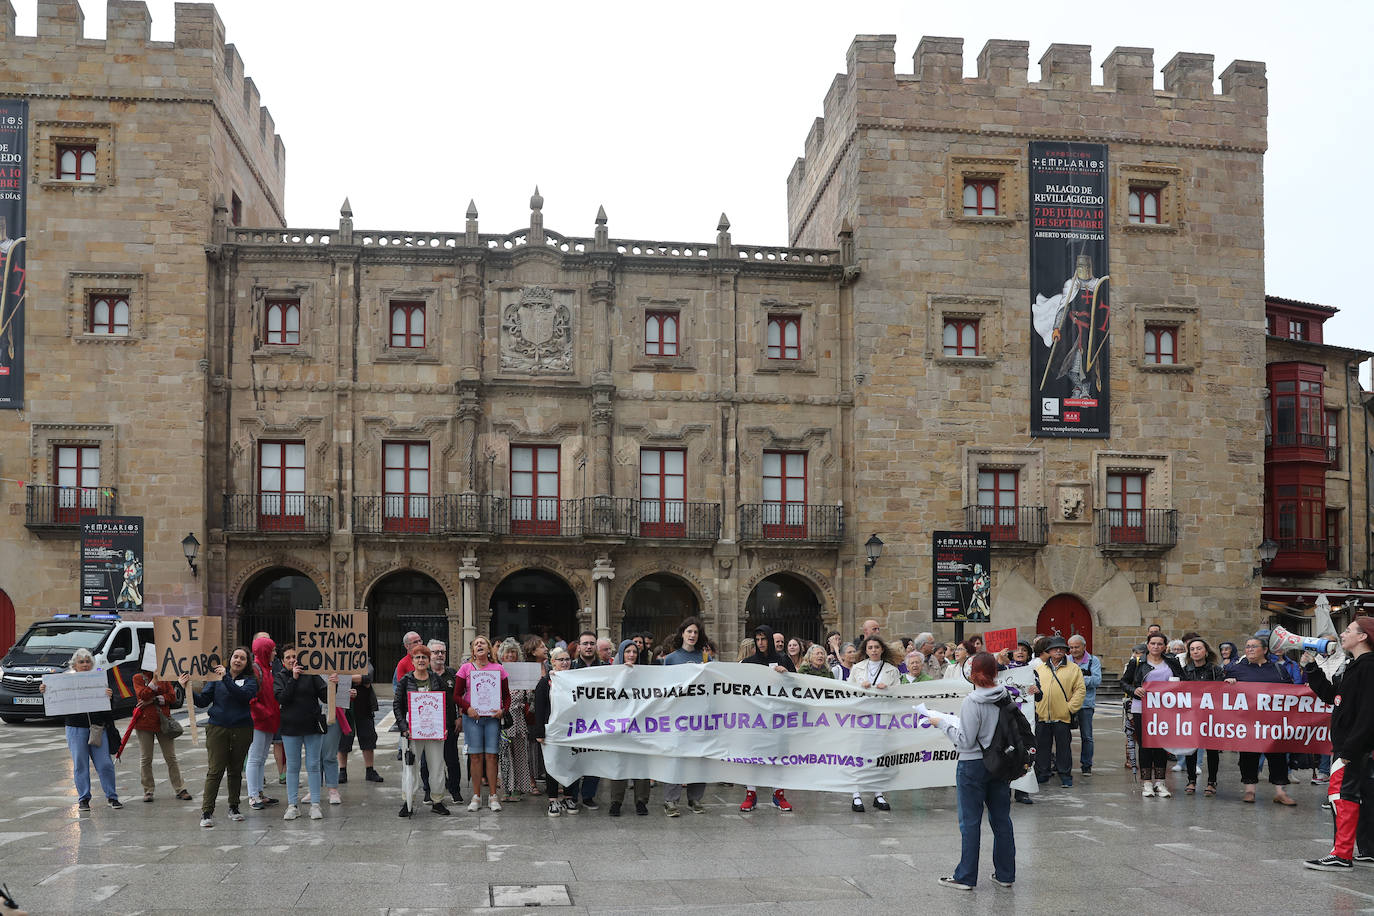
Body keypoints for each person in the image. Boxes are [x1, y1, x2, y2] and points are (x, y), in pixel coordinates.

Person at [927, 652, 1016, 891]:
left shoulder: (972, 701)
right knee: (1001, 820)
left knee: (970, 822)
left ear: (972, 673)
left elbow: (965, 741)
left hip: (973, 765)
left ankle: (965, 876)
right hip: (999, 764)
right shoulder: (1004, 696)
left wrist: (942, 723)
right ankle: (1006, 873)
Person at [1304, 618, 1374, 870]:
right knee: (1363, 796)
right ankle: (1368, 850)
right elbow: (1334, 698)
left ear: (1363, 637)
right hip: (1355, 746)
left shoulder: (1367, 667)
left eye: (1348, 630)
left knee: (1341, 796)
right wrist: (1312, 668)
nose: (1342, 634)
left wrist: (1349, 750)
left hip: (1351, 747)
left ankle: (1342, 854)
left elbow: (1368, 713)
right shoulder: (1356, 666)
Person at [42, 648, 121, 811]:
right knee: (80, 764)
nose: (85, 665)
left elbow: (109, 709)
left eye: (87, 662)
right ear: (75, 665)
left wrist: (110, 697)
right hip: (75, 729)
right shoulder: (65, 681)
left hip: (97, 728)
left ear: (91, 664)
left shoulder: (99, 680)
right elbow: (54, 705)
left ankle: (112, 796)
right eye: (81, 662)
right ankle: (84, 798)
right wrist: (46, 691)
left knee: (105, 763)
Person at [1225, 636, 1297, 805]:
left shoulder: (1278, 669)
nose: (1249, 649)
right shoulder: (1236, 670)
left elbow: (1291, 692)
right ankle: (1249, 790)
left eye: (1254, 646)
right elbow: (1224, 695)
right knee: (1248, 755)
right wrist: (1228, 683)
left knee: (1277, 755)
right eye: (1247, 646)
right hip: (1247, 722)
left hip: (1273, 722)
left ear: (1265, 650)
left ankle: (1280, 791)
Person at [194, 647, 257, 827]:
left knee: (235, 770)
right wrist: (188, 689)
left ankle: (234, 807)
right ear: (230, 659)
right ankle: (207, 811)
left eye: (242, 658)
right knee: (215, 769)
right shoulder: (216, 678)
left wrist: (226, 678)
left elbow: (243, 697)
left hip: (242, 729)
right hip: (217, 728)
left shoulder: (250, 681)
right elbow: (203, 701)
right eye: (235, 657)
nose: (238, 660)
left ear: (247, 663)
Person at [660, 616, 712, 816]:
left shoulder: (706, 658)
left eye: (696, 632)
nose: (692, 635)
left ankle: (695, 798)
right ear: (682, 633)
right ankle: (670, 800)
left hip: (700, 716)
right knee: (676, 757)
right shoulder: (671, 659)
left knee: (699, 757)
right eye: (689, 631)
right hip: (678, 716)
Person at [739, 625, 794, 813]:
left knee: (778, 756)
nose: (761, 643)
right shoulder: (747, 662)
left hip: (778, 718)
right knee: (752, 756)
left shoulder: (783, 660)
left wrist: (786, 676)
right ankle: (750, 794)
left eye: (764, 639)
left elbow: (798, 687)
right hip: (755, 719)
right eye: (758, 639)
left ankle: (778, 794)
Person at [394, 644, 451, 817]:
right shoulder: (405, 680)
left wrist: (444, 727)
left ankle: (437, 801)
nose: (421, 660)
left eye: (424, 657)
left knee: (437, 766)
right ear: (412, 660)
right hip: (413, 730)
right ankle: (408, 802)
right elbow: (397, 706)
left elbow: (445, 704)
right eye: (417, 657)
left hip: (434, 730)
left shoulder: (436, 679)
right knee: (410, 767)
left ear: (428, 660)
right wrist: (404, 728)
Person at [274, 643, 329, 820]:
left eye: (294, 656)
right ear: (283, 661)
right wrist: (294, 679)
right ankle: (292, 805)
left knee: (313, 765)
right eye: (288, 657)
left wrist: (333, 685)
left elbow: (325, 695)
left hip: (312, 726)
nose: (292, 660)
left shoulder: (311, 674)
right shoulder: (280, 677)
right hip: (290, 728)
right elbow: (283, 697)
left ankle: (315, 804)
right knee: (293, 766)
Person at [456, 635, 511, 812]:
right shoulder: (465, 668)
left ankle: (493, 796)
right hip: (473, 718)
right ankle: (477, 796)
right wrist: (467, 708)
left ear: (489, 649)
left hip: (492, 718)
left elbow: (507, 695)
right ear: (473, 650)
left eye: (483, 643)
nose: (479, 645)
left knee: (492, 756)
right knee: (475, 756)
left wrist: (503, 710)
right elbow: (456, 695)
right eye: (476, 644)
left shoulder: (499, 669)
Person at [1126, 632, 1183, 797]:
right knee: (1145, 745)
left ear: (1165, 646)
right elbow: (1124, 682)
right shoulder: (1137, 662)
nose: (1156, 647)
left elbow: (1184, 680)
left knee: (1161, 745)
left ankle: (1160, 782)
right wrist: (1134, 690)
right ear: (1148, 645)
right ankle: (1147, 783)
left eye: (1160, 644)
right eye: (1153, 643)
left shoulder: (1172, 662)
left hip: (1165, 708)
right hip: (1141, 707)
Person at [132, 654, 192, 804]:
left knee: (171, 757)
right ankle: (148, 790)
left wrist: (155, 699)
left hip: (163, 722)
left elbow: (172, 696)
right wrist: (154, 682)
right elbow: (142, 695)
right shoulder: (138, 678)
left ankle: (180, 788)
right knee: (146, 758)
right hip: (144, 724)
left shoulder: (164, 676)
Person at [850, 635, 901, 811]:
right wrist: (859, 687)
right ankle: (856, 793)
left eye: (876, 647)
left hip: (882, 718)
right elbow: (848, 693)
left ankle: (878, 793)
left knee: (879, 755)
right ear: (865, 650)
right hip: (862, 718)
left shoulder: (892, 671)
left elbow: (900, 694)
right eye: (870, 647)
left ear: (882, 649)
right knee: (859, 755)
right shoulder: (857, 669)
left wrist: (888, 690)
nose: (873, 650)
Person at [605, 640, 652, 816]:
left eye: (634, 652)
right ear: (622, 654)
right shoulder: (612, 674)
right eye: (628, 652)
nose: (631, 655)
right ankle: (616, 801)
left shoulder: (645, 675)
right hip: (619, 726)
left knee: (641, 764)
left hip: (640, 726)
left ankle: (641, 801)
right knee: (619, 764)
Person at [1033, 636, 1085, 789]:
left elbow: (1080, 690)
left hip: (1062, 715)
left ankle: (1065, 775)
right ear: (1048, 651)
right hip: (1042, 714)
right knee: (1042, 747)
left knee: (1063, 748)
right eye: (1055, 648)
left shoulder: (1073, 668)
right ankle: (1043, 773)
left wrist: (1069, 708)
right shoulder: (1040, 668)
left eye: (1061, 648)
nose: (1058, 651)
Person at [533, 648, 579, 816]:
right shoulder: (545, 682)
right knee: (553, 764)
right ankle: (553, 799)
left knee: (571, 764)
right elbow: (539, 708)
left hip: (572, 730)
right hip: (552, 730)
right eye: (560, 659)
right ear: (553, 662)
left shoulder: (575, 681)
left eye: (567, 659)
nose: (565, 662)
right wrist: (540, 732)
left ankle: (569, 796)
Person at [1180, 637, 1224, 797]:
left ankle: (1212, 782)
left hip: (1212, 716)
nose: (1195, 651)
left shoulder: (1216, 670)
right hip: (1192, 715)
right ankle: (1191, 780)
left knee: (1212, 750)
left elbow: (1221, 692)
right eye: (1192, 649)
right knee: (1191, 749)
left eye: (1199, 648)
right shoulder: (1185, 671)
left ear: (1206, 651)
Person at [419, 640, 460, 806]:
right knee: (426, 760)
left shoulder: (452, 674)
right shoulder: (422, 674)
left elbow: (459, 697)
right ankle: (428, 790)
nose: (440, 655)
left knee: (451, 759)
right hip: (428, 725)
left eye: (442, 651)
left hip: (449, 723)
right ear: (429, 655)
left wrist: (460, 717)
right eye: (436, 652)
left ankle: (455, 790)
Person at [497, 638, 536, 803]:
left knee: (520, 753)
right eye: (507, 652)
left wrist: (531, 690)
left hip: (519, 717)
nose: (510, 655)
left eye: (513, 651)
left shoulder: (524, 671)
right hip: (504, 718)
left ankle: (519, 788)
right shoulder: (497, 671)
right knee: (505, 755)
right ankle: (507, 788)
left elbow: (531, 696)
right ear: (502, 655)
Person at [246, 635, 282, 810]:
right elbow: (251, 698)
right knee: (255, 758)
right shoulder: (256, 670)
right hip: (259, 721)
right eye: (273, 649)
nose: (275, 653)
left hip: (267, 720)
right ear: (265, 651)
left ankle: (259, 792)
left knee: (261, 758)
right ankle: (253, 795)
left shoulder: (265, 669)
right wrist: (266, 712)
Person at [337, 659, 384, 787]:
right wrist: (358, 680)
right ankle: (342, 771)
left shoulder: (364, 660)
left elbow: (367, 677)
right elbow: (333, 678)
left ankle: (370, 770)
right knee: (343, 739)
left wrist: (344, 678)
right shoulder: (338, 659)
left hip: (364, 706)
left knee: (368, 738)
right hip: (344, 706)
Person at [1067, 635, 1101, 777]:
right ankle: (1064, 764)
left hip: (1086, 704)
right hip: (1067, 703)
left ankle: (1086, 765)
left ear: (1084, 647)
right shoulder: (1066, 660)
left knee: (1086, 736)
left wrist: (1076, 679)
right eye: (1071, 647)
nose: (1074, 650)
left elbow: (1097, 680)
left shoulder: (1093, 661)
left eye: (1077, 647)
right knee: (1064, 736)